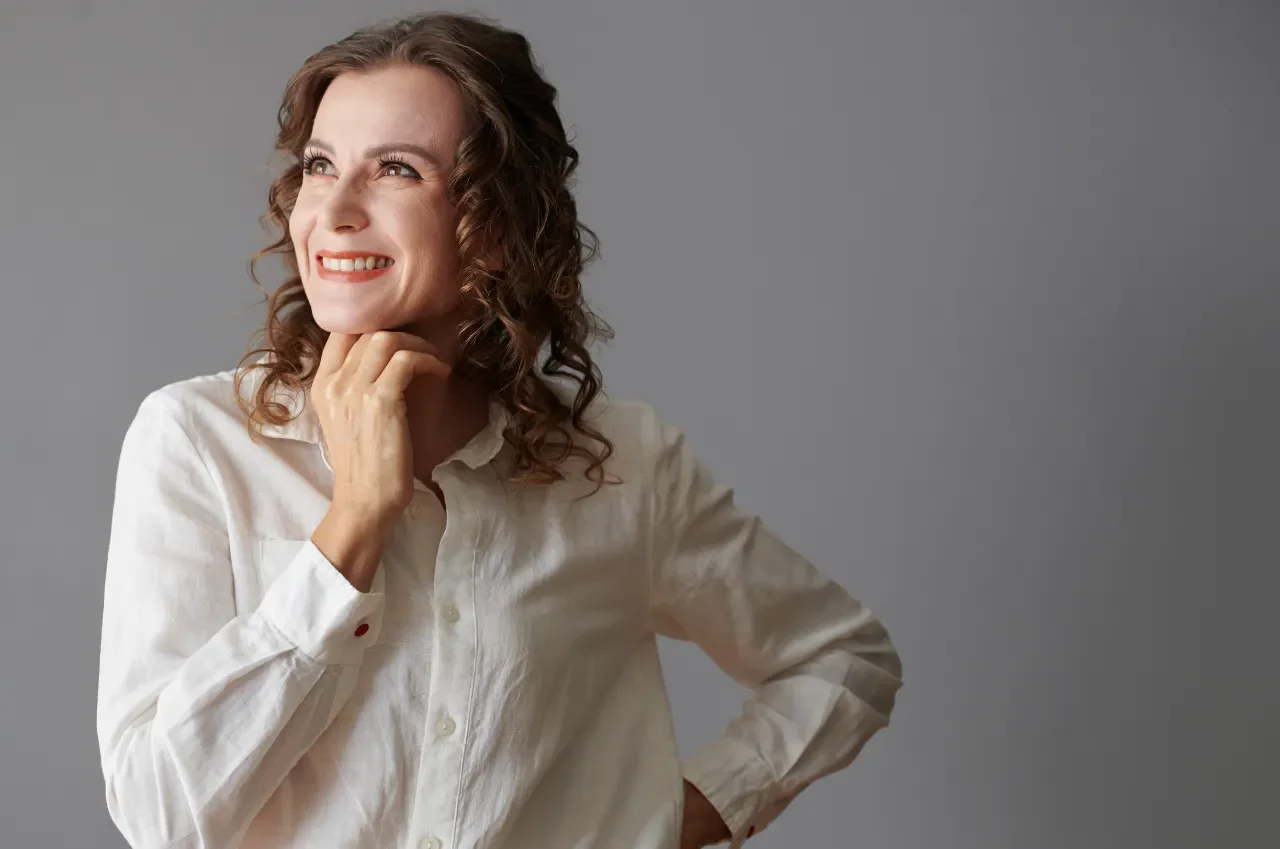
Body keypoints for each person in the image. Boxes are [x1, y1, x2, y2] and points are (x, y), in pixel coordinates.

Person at [95, 12, 902, 849]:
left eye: (396, 170)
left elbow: (844, 659)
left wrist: (683, 816)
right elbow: (161, 817)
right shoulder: (197, 442)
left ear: (496, 230)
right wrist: (355, 525)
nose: (332, 210)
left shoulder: (621, 467)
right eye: (320, 166)